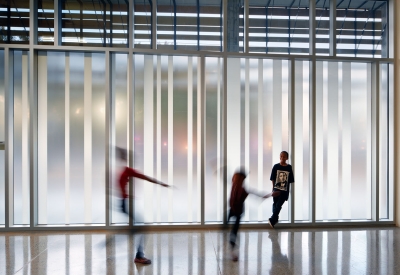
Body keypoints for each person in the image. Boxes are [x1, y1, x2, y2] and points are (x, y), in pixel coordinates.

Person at [116, 147, 169, 264]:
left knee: (137, 227)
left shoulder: (121, 172)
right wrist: (161, 184)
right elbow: (144, 177)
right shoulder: (127, 170)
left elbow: (121, 185)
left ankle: (134, 250)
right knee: (142, 227)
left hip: (123, 203)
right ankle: (139, 256)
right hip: (125, 203)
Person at [228, 169, 278, 261]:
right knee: (228, 228)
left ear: (242, 180)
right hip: (232, 210)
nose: (234, 179)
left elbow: (255, 194)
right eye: (234, 177)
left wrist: (270, 195)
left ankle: (233, 250)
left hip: (238, 212)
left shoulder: (242, 189)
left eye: (237, 178)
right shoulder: (234, 185)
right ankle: (231, 243)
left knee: (234, 232)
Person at [268, 151, 295, 229]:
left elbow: (290, 180)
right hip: (276, 189)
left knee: (279, 205)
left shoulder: (289, 167)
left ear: (287, 158)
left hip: (284, 191)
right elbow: (272, 179)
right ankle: (274, 219)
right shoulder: (275, 166)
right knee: (275, 204)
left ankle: (272, 219)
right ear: (280, 157)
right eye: (281, 156)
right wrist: (273, 189)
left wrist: (288, 191)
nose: (282, 158)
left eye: (284, 156)